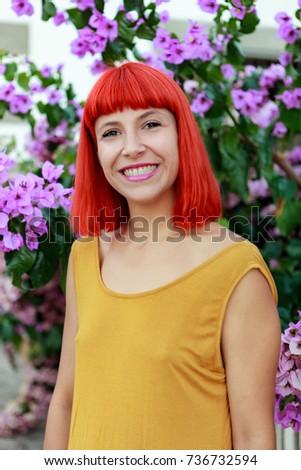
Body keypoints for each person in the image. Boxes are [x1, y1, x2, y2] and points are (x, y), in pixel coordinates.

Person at [43, 62, 281, 450]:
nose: (131, 147)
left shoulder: (236, 270)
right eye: (111, 132)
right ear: (96, 151)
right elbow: (65, 403)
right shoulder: (85, 256)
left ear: (181, 134)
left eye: (151, 124)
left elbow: (254, 439)